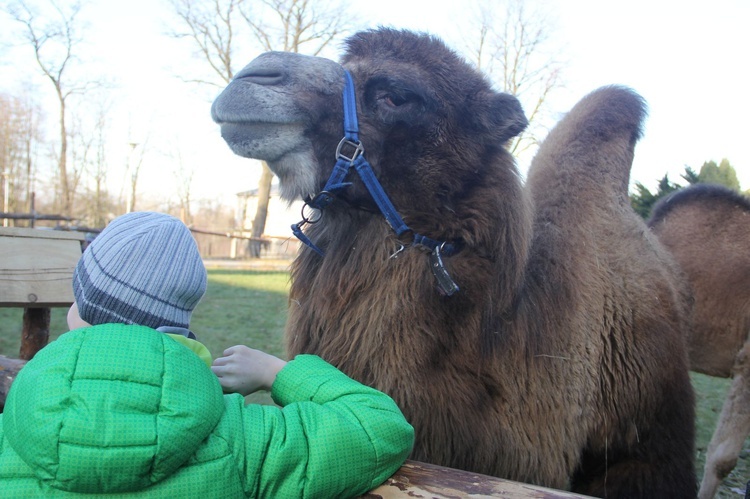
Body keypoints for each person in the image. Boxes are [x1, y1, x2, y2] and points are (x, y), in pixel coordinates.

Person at [0, 211, 414, 498]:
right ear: (178, 329)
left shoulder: (11, 427)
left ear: (78, 310)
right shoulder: (242, 441)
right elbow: (379, 428)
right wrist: (275, 372)